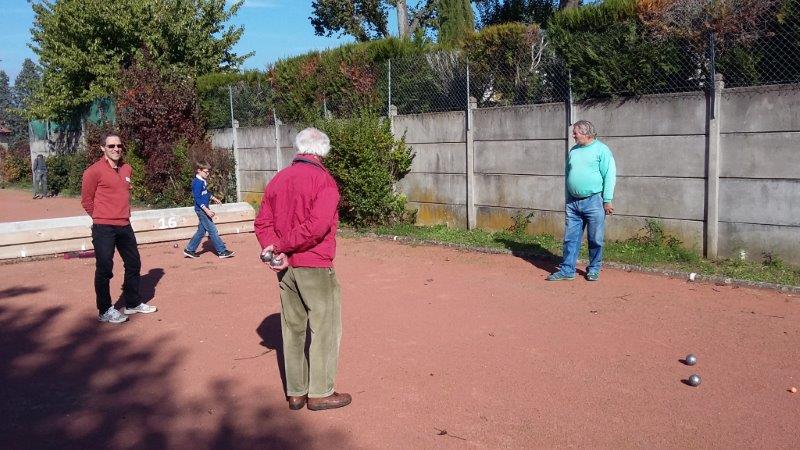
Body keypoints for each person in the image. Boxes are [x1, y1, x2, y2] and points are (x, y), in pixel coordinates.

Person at [254, 127, 351, 411]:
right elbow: (317, 228)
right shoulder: (324, 181)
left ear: (299, 148)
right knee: (325, 327)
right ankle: (320, 391)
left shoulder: (278, 179)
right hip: (314, 264)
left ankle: (296, 392)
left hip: (285, 267)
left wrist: (275, 248)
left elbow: (262, 222)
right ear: (324, 150)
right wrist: (283, 247)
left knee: (293, 327)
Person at [81, 133, 157, 323]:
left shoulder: (126, 169)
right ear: (103, 148)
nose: (116, 149)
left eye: (119, 146)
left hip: (125, 225)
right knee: (105, 268)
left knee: (134, 263)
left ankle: (132, 303)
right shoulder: (93, 171)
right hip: (103, 227)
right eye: (111, 146)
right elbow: (86, 200)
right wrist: (100, 217)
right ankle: (105, 309)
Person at [547, 120, 617, 282]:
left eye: (575, 133)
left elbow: (610, 176)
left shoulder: (602, 150)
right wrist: (568, 197)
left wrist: (607, 200)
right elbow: (568, 175)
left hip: (594, 201)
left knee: (595, 238)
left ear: (586, 134)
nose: (573, 135)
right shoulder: (574, 150)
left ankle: (593, 269)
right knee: (570, 238)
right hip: (573, 202)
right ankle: (567, 270)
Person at [182, 162, 235, 259]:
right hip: (202, 210)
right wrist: (206, 210)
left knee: (201, 231)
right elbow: (197, 199)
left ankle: (189, 249)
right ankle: (222, 251)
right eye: (206, 172)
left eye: (208, 172)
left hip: (203, 209)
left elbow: (205, 193)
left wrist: (214, 198)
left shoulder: (202, 181)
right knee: (212, 230)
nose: (208, 174)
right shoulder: (197, 183)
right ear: (199, 170)